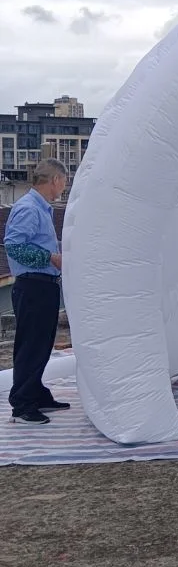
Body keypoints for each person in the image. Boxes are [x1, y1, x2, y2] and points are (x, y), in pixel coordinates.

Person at [3, 158, 69, 425]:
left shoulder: (43, 209)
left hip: (43, 285)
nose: (64, 187)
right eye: (64, 181)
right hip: (33, 285)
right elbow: (14, 246)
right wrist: (51, 258)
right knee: (31, 345)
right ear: (55, 180)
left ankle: (36, 393)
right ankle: (22, 405)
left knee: (41, 344)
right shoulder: (29, 208)